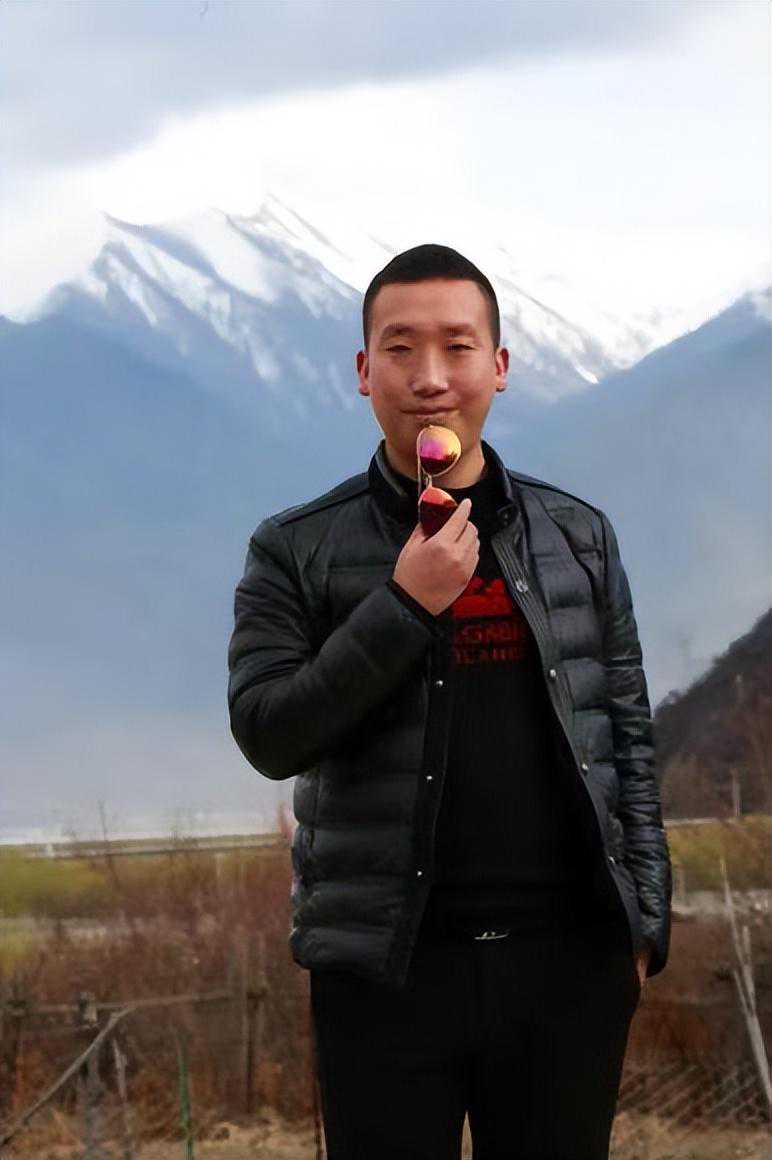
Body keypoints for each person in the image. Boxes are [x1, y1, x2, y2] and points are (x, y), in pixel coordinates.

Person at [227, 244, 673, 1159]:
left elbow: (628, 736)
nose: (430, 377)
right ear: (364, 371)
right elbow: (269, 733)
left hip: (568, 966)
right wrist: (403, 604)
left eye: (458, 347)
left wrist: (645, 926)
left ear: (498, 366)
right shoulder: (296, 548)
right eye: (400, 348)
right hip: (384, 971)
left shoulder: (577, 536)